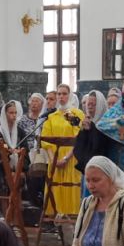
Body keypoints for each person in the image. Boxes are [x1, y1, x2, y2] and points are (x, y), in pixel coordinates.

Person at [41, 90, 85, 221]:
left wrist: (66, 158)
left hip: (71, 158)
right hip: (54, 158)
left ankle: (71, 220)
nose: (61, 96)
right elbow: (45, 140)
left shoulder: (75, 114)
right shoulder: (51, 116)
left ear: (70, 96)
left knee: (70, 187)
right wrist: (53, 159)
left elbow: (79, 137)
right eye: (59, 94)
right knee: (54, 187)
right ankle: (55, 219)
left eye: (64, 94)